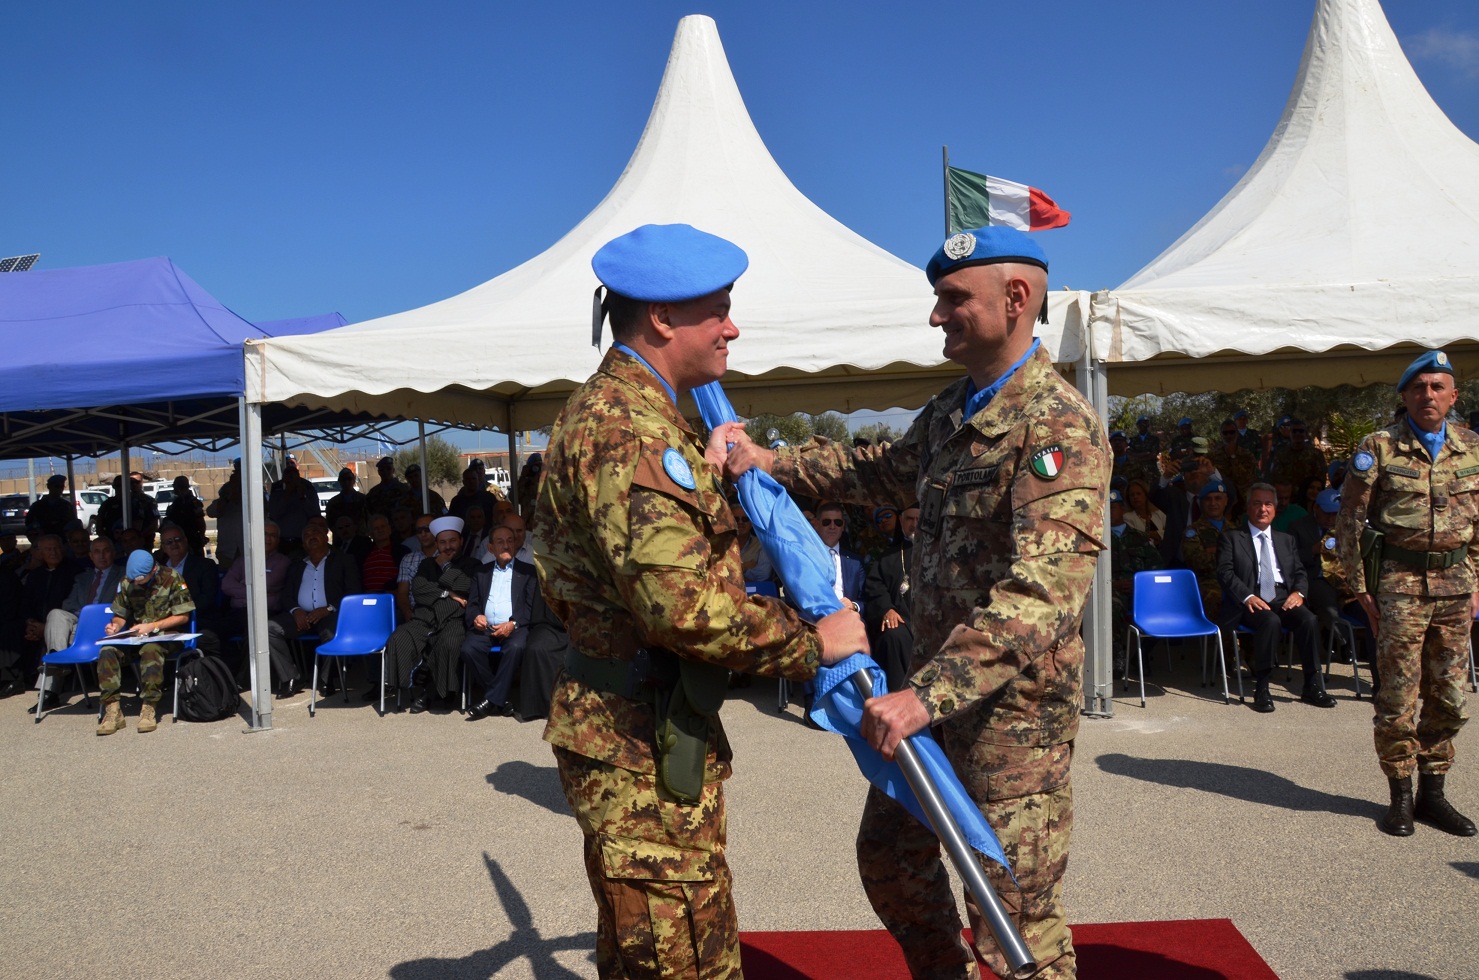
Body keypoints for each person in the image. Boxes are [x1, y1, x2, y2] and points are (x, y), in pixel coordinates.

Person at [723, 225, 1107, 979]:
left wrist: (924, 696)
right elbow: (878, 469)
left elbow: (1044, 589)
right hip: (932, 706)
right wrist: (770, 461)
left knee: (1012, 919)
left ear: (1016, 299)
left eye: (952, 299)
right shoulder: (951, 411)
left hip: (1008, 721)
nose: (936, 317)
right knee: (891, 862)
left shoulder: (1054, 423)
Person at [536, 223, 865, 979]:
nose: (731, 326)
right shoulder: (628, 433)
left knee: (647, 952)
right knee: (681, 961)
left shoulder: (646, 421)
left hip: (644, 731)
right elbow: (683, 609)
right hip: (637, 741)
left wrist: (711, 478)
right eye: (716, 310)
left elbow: (666, 560)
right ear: (660, 317)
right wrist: (816, 640)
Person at [1338, 350, 1479, 837]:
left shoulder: (1472, 447)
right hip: (1399, 588)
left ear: (1453, 396)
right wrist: (1359, 588)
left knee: (1451, 697)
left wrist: (1475, 578)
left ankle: (1433, 795)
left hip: (1456, 588)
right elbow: (1349, 523)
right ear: (1404, 396)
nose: (1428, 396)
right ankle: (1399, 797)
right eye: (1419, 388)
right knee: (1398, 695)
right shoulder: (1378, 448)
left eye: (1438, 387)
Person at [1216, 483, 1335, 713]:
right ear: (1248, 508)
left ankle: (1311, 684)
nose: (1263, 508)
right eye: (1257, 503)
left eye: (1268, 504)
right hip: (1251, 600)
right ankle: (1262, 687)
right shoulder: (1231, 538)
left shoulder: (1285, 539)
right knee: (1270, 621)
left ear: (1275, 509)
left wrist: (1298, 593)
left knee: (1308, 620)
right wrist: (1247, 596)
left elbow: (1300, 572)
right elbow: (1225, 573)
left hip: (1282, 596)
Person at [95, 550, 195, 735]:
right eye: (133, 580)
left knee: (151, 649)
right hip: (136, 636)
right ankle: (112, 708)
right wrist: (115, 627)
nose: (136, 583)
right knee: (108, 650)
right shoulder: (127, 582)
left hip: (166, 636)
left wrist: (153, 626)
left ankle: (149, 705)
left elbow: (183, 616)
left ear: (153, 570)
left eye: (140, 579)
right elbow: (120, 614)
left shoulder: (172, 578)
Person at [384, 515, 478, 712]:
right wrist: (448, 593)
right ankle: (407, 686)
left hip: (454, 620)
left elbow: (465, 585)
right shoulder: (427, 565)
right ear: (437, 544)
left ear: (460, 541)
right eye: (443, 542)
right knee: (399, 638)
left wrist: (443, 567)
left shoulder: (472, 564)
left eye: (452, 541)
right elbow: (418, 589)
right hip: (424, 618)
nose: (448, 546)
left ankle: (434, 693)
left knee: (448, 643)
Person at [267, 519, 361, 696]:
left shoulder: (343, 560)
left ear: (326, 537)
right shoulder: (296, 565)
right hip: (302, 616)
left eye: (315, 533)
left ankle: (326, 680)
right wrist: (296, 611)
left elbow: (353, 591)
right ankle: (291, 678)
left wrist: (328, 608)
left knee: (332, 634)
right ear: (303, 544)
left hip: (331, 614)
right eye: (307, 536)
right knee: (268, 629)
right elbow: (286, 596)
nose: (311, 537)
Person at [461, 525, 538, 720]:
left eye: (510, 541)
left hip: (514, 627)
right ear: (490, 548)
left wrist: (513, 624)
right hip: (485, 628)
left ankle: (490, 701)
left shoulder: (528, 571)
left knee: (516, 647)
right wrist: (476, 616)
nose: (506, 545)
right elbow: (472, 605)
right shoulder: (481, 572)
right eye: (500, 542)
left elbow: (530, 607)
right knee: (469, 649)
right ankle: (499, 700)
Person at [863, 503, 918, 695]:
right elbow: (873, 588)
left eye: (919, 519)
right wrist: (887, 609)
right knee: (893, 636)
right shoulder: (888, 557)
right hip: (900, 619)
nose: (914, 524)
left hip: (931, 621)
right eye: (910, 519)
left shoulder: (940, 554)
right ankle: (898, 696)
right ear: (901, 521)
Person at [1108, 488, 1163, 678]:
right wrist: (1112, 585)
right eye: (1105, 507)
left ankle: (1142, 653)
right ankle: (1118, 655)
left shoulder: (1140, 538)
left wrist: (1139, 584)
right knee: (1111, 608)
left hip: (1141, 591)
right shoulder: (1098, 540)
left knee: (1164, 607)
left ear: (1122, 509)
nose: (1109, 511)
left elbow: (1157, 567)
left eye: (1113, 507)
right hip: (1111, 591)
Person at [163, 476, 207, 555]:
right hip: (178, 537)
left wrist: (201, 536)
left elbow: (200, 522)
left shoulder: (192, 502)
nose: (174, 488)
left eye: (174, 486)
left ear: (179, 487)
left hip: (191, 539)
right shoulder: (177, 501)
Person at [25, 475, 75, 541]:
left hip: (62, 539)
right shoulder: (38, 506)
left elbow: (72, 522)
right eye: (57, 486)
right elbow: (29, 523)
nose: (60, 489)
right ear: (49, 487)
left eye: (62, 486)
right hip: (43, 539)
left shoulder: (66, 506)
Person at [1121, 478, 1166, 547]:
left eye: (1138, 494)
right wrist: (1156, 534)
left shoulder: (1158, 513)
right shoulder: (1127, 518)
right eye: (1132, 495)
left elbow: (1170, 532)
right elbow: (1136, 538)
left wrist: (1152, 534)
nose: (1135, 497)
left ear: (1146, 495)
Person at [323, 467, 369, 532]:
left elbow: (370, 520)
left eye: (349, 479)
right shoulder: (333, 503)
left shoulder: (364, 500)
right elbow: (330, 523)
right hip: (341, 539)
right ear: (339, 481)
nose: (346, 482)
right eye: (343, 479)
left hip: (360, 537)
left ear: (353, 480)